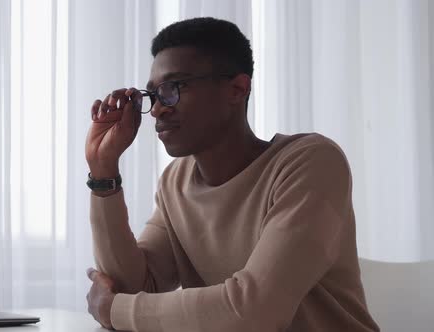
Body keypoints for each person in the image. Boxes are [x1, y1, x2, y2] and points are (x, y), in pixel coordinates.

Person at [84, 17, 380, 332]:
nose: (157, 109)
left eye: (173, 88)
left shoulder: (310, 163)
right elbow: (133, 288)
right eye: (153, 95)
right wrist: (104, 172)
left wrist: (114, 310)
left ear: (237, 89)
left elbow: (256, 312)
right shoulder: (175, 182)